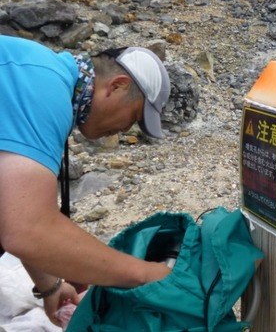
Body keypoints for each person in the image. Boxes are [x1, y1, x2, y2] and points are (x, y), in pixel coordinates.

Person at [0, 36, 172, 326]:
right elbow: (28, 230)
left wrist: (50, 286)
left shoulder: (41, 76)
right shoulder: (45, 88)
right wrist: (145, 274)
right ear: (117, 86)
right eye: (132, 118)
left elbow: (13, 206)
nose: (124, 128)